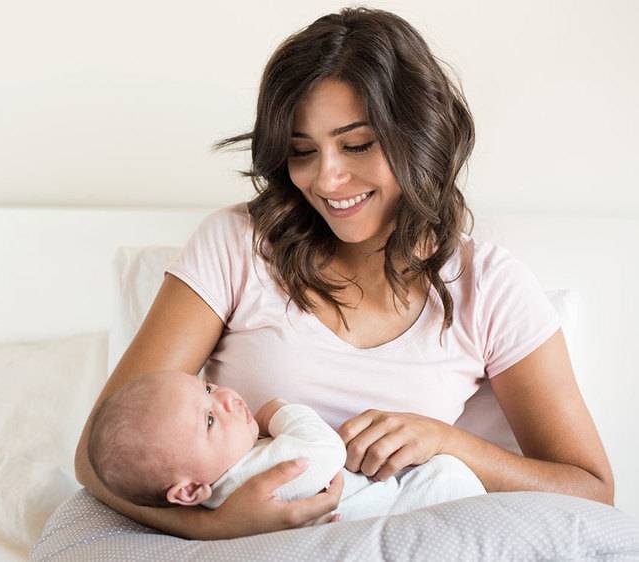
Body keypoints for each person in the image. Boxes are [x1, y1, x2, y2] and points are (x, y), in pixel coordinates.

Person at [74, 7, 614, 540]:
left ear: (419, 135)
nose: (327, 179)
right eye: (301, 151)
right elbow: (96, 461)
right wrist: (215, 527)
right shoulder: (236, 246)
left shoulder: (489, 288)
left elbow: (591, 490)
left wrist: (447, 443)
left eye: (356, 144)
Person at [87, 370, 486, 522]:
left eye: (207, 387)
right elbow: (324, 452)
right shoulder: (252, 477)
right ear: (189, 490)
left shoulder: (221, 492)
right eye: (209, 420)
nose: (226, 397)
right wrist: (279, 412)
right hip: (426, 501)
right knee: (448, 476)